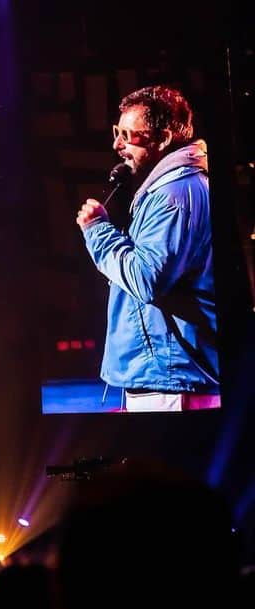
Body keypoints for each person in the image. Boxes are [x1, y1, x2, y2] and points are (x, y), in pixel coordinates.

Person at [76, 86, 219, 412]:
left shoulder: (175, 196)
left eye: (128, 135)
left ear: (164, 138)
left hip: (170, 377)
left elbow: (146, 279)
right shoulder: (173, 189)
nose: (117, 145)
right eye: (117, 132)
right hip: (163, 376)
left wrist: (98, 231)